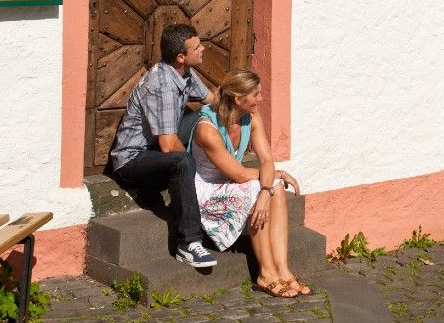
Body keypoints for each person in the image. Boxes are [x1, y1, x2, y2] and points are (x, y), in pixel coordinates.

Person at [190, 69, 310, 297]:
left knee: (272, 186)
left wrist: (269, 186)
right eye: (256, 94)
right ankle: (265, 274)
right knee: (261, 185)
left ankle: (282, 270)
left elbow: (267, 160)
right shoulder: (207, 130)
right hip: (207, 190)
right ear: (238, 99)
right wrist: (270, 181)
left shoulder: (252, 119)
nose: (261, 98)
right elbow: (241, 175)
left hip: (235, 181)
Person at [110, 23, 218, 268]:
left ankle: (215, 175)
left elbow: (211, 101)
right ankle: (188, 242)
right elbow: (169, 146)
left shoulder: (183, 73)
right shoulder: (163, 84)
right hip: (133, 162)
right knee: (182, 161)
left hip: (156, 149)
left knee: (205, 116)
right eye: (197, 47)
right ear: (181, 56)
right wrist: (195, 172)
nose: (203, 49)